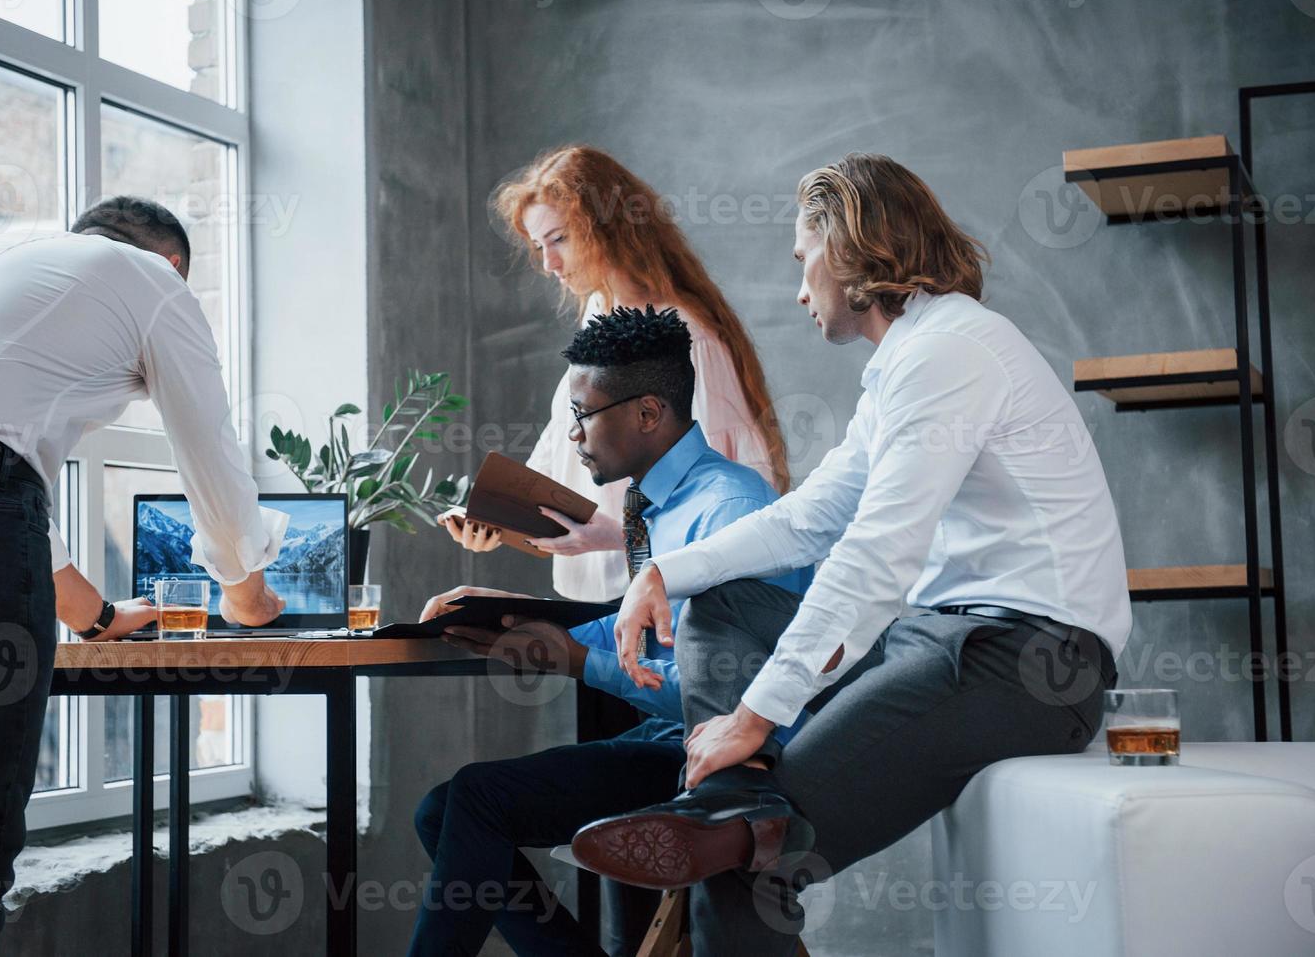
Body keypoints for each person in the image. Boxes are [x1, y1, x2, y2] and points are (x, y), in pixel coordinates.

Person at [571, 154, 1131, 956]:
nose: (800, 288)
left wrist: (753, 714)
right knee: (723, 600)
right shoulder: (905, 363)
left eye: (802, 260)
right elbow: (811, 518)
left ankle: (725, 811)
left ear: (845, 246)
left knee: (738, 863)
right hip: (935, 641)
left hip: (1027, 664)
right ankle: (731, 800)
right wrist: (664, 571)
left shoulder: (951, 352)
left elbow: (877, 551)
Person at [0, 197, 286, 955]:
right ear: (173, 267)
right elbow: (211, 459)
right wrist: (245, 593)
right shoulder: (153, 282)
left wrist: (94, 620)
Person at [408, 306, 810, 957]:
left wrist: (573, 660)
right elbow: (655, 638)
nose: (572, 436)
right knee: (444, 806)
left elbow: (730, 695)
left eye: (582, 414)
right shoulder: (662, 505)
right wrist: (519, 615)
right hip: (672, 739)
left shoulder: (728, 510)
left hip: (730, 763)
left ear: (647, 413)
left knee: (477, 798)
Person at [439, 145, 789, 606]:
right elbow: (561, 446)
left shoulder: (686, 337)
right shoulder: (598, 312)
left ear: (607, 229)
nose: (548, 264)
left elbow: (737, 493)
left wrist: (621, 534)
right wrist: (499, 514)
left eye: (559, 239)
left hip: (661, 604)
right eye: (539, 245)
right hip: (597, 600)